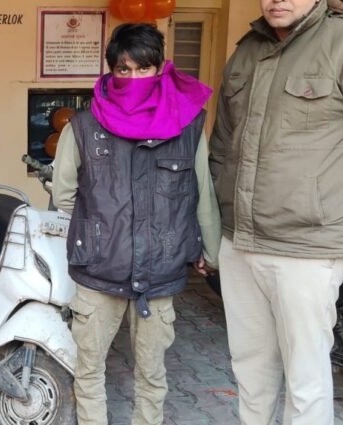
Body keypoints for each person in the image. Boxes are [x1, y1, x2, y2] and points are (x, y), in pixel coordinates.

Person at [209, 0, 343, 423]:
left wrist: (341, 202)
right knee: (250, 368)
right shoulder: (247, 50)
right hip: (239, 242)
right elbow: (222, 144)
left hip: (306, 247)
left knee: (306, 378)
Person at [52, 23, 220, 425]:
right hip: (99, 272)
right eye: (123, 70)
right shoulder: (83, 126)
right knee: (89, 370)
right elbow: (64, 195)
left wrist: (209, 251)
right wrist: (102, 229)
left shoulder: (188, 126)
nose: (133, 78)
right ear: (111, 72)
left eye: (143, 69)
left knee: (152, 374)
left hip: (159, 273)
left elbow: (201, 194)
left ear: (160, 69)